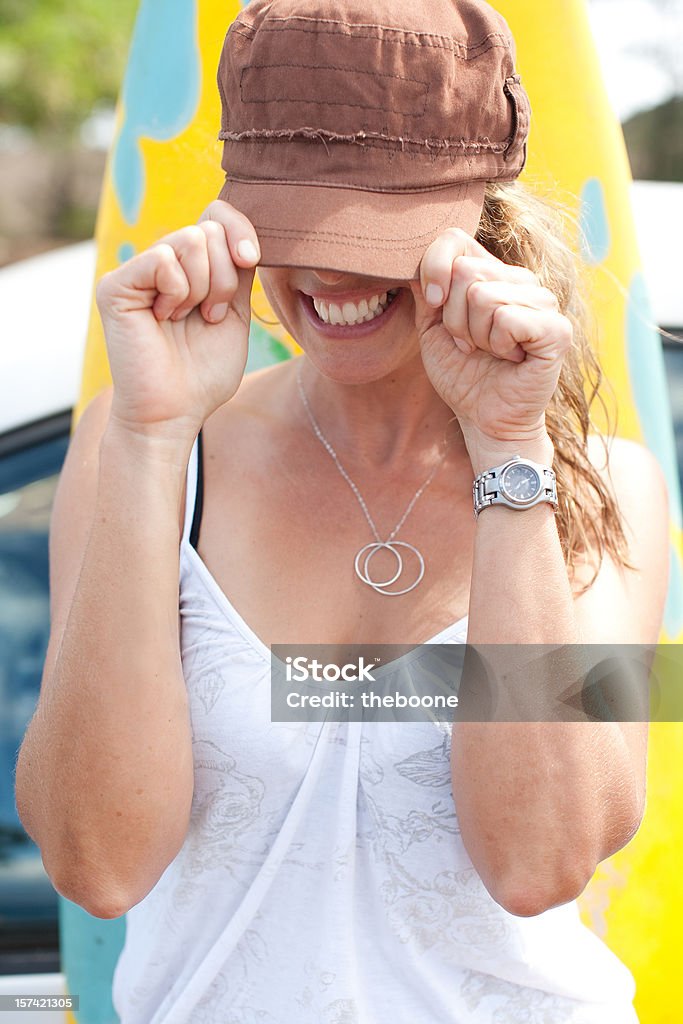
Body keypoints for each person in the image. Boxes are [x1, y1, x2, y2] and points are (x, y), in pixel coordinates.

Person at [15, 0, 669, 1021]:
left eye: (375, 226)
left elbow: (538, 863)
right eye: (290, 217)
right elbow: (96, 863)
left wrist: (506, 450)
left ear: (479, 216)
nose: (325, 268)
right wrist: (149, 436)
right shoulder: (141, 444)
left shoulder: (604, 482)